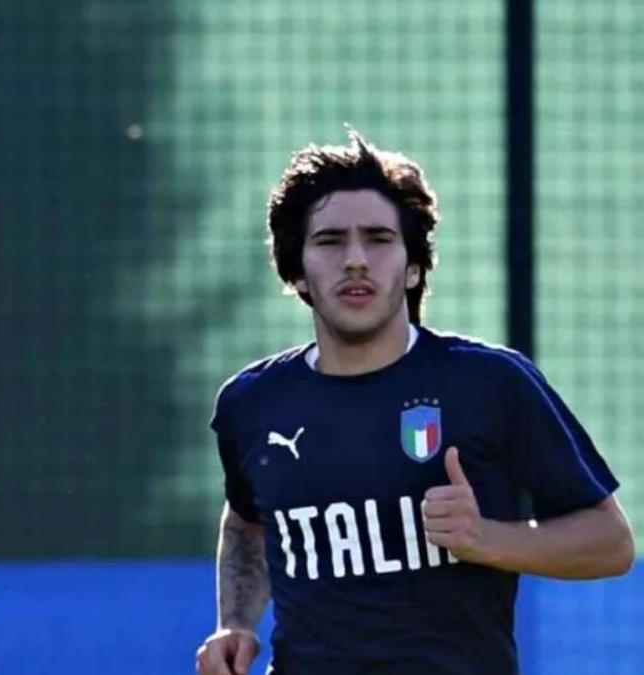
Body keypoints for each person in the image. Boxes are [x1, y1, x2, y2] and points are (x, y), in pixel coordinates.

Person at [195, 130, 634, 675]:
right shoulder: (251, 403)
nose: (355, 260)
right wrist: (235, 622)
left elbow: (610, 543)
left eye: (378, 239)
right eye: (330, 241)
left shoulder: (490, 384)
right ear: (297, 271)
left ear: (412, 267)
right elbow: (247, 523)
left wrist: (488, 539)